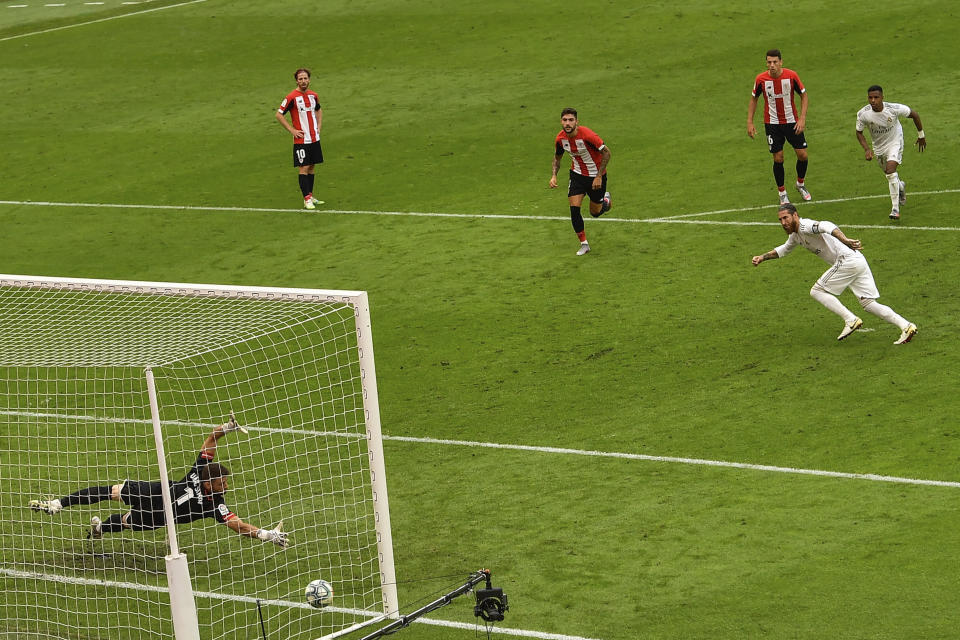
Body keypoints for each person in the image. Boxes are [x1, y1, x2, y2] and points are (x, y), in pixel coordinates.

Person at [29, 414, 289, 548]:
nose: (226, 487)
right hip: (154, 493)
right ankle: (57, 504)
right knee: (113, 491)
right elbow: (211, 440)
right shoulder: (200, 471)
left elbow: (239, 526)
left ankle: (98, 531)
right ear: (209, 482)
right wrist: (227, 428)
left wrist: (268, 535)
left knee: (125, 522)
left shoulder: (215, 505)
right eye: (222, 483)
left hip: (160, 517)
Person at [751, 203, 917, 344]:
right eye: (780, 220)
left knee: (817, 291)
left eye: (785, 218)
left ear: (795, 215)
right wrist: (762, 257)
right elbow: (784, 249)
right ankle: (906, 326)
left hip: (847, 261)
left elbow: (826, 225)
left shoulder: (805, 226)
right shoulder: (796, 235)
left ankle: (850, 319)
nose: (783, 222)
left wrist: (844, 239)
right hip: (856, 261)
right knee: (868, 304)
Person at [747, 49, 811, 205]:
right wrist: (750, 121)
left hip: (792, 121)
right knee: (778, 158)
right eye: (769, 62)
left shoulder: (791, 76)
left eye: (775, 62)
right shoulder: (761, 79)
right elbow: (754, 99)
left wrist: (802, 118)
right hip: (772, 124)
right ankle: (782, 192)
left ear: (781, 62)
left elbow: (804, 95)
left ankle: (800, 184)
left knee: (802, 155)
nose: (772, 65)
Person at [855, 85, 926, 220]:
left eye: (876, 97)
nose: (873, 100)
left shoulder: (893, 109)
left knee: (890, 170)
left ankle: (895, 209)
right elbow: (858, 133)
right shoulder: (863, 114)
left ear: (882, 97)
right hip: (879, 147)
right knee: (889, 174)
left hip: (895, 142)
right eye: (870, 97)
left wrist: (921, 135)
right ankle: (900, 186)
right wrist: (867, 149)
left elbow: (914, 114)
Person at [549, 107, 612, 256]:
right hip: (577, 176)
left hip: (595, 177)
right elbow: (557, 159)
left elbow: (607, 153)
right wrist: (554, 176)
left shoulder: (588, 135)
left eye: (571, 120)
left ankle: (605, 202)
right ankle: (584, 244)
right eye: (565, 120)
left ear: (577, 121)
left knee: (595, 212)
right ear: (561, 122)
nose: (567, 123)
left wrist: (598, 176)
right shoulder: (560, 139)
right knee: (574, 208)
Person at [276, 67, 324, 210]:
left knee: (312, 166)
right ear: (297, 81)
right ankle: (306, 199)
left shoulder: (313, 95)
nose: (303, 81)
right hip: (301, 140)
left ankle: (310, 195)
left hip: (314, 138)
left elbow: (319, 109)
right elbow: (279, 114)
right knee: (304, 167)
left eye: (305, 78)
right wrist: (292, 130)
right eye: (300, 79)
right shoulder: (291, 97)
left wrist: (318, 126)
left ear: (309, 79)